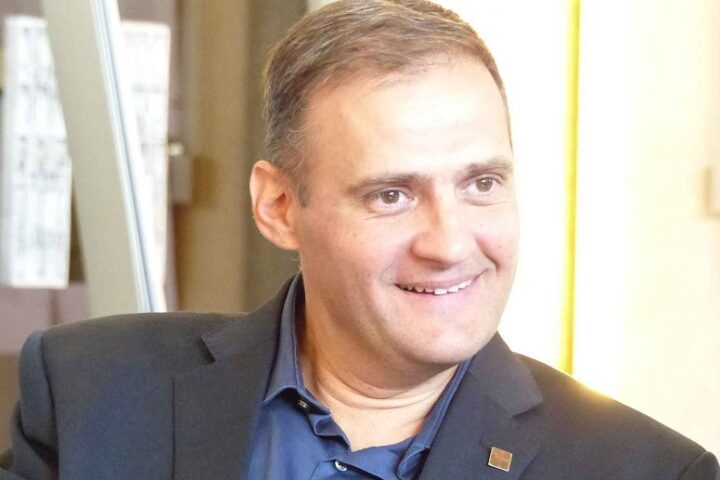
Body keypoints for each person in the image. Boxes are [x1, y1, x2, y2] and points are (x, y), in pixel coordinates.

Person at [1, 1, 718, 479]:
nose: (449, 242)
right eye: (391, 194)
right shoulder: (90, 392)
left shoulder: (646, 470)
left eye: (481, 183)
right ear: (279, 207)